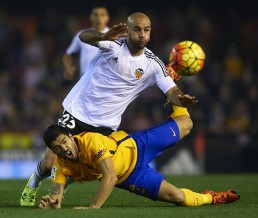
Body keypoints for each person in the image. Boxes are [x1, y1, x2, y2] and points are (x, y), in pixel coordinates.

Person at [20, 12, 197, 206]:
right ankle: (34, 182)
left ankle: (60, 191)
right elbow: (83, 37)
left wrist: (180, 98)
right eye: (137, 29)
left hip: (105, 125)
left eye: (146, 30)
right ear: (128, 30)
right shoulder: (113, 45)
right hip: (77, 111)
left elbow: (171, 90)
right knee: (50, 162)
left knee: (89, 165)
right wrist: (104, 36)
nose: (142, 35)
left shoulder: (153, 65)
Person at [39, 104, 240, 209]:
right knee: (178, 198)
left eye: (64, 142)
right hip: (130, 177)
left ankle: (172, 81)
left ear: (71, 136)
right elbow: (57, 189)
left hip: (138, 145)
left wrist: (93, 207)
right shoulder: (61, 165)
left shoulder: (91, 141)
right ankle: (211, 198)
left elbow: (109, 177)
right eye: (57, 148)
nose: (64, 149)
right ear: (53, 151)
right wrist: (54, 202)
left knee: (187, 124)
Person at [63, 5, 110, 80]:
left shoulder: (114, 36)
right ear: (91, 17)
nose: (99, 18)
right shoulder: (82, 35)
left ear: (107, 18)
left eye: (102, 15)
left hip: (105, 81)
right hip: (85, 80)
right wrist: (68, 67)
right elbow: (68, 54)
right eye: (96, 14)